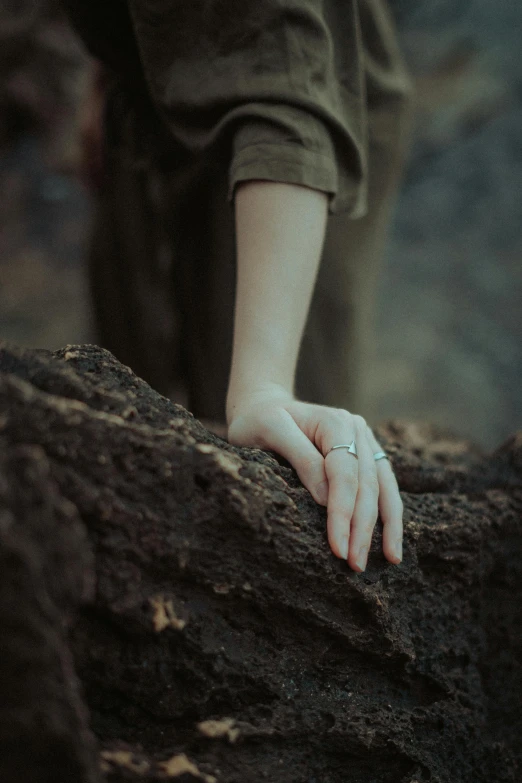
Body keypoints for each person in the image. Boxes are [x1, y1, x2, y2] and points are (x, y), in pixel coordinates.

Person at [63, 0, 413, 572]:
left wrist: (265, 385)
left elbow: (285, 91)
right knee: (136, 388)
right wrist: (105, 69)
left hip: (296, 143)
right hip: (151, 96)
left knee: (288, 442)